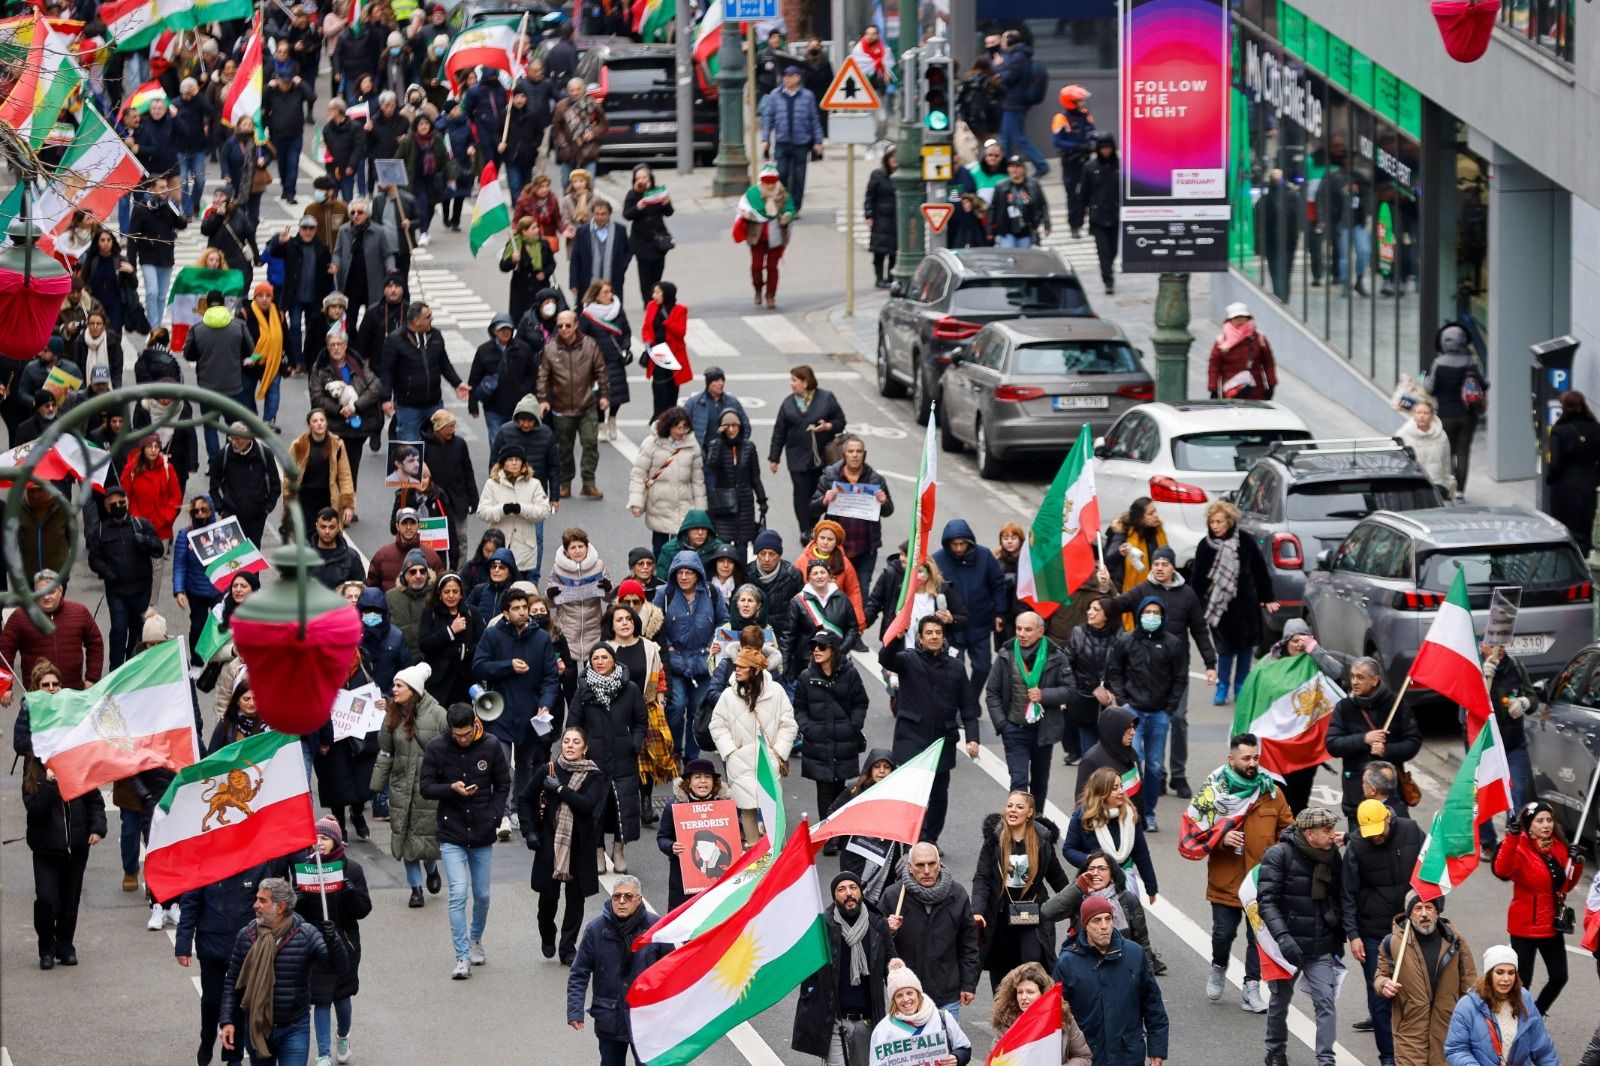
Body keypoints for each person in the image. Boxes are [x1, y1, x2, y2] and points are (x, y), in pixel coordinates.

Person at [1175, 733, 1292, 1012]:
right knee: (1223, 934)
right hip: (1225, 880)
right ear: (1231, 759)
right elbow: (1197, 830)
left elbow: (1288, 828)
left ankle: (1251, 986)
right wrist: (1221, 839)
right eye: (1246, 758)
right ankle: (1218, 966)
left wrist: (1278, 854)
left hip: (1261, 881)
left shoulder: (1271, 792)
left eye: (1256, 758)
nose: (1252, 763)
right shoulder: (1214, 793)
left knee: (1258, 936)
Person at [420, 702, 511, 979]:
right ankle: (461, 956)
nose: (463, 739)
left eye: (467, 734)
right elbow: (426, 787)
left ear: (475, 725)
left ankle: (475, 939)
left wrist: (495, 816)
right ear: (450, 729)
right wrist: (451, 788)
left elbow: (503, 784)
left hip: (482, 831)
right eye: (457, 735)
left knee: (482, 895)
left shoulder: (491, 745)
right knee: (458, 893)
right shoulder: (437, 747)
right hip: (452, 831)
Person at [218, 878, 348, 1065]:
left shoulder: (306, 934)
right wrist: (227, 1021)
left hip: (294, 1028)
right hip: (257, 1027)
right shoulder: (246, 936)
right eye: (257, 899)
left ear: (280, 907)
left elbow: (338, 968)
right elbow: (232, 982)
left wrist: (333, 940)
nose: (255, 905)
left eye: (262, 901)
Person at [877, 615, 979, 844]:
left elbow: (968, 706)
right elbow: (885, 658)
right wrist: (896, 638)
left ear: (944, 637)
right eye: (929, 633)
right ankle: (908, 837)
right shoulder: (908, 660)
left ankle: (929, 839)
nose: (934, 637)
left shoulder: (956, 667)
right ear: (920, 639)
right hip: (911, 739)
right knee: (910, 793)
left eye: (938, 633)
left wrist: (973, 738)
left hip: (943, 741)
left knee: (938, 796)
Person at [1257, 806, 1346, 1066]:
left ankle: (1326, 1059)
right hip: (1287, 947)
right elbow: (1266, 902)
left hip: (1320, 945)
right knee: (1280, 1000)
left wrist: (1337, 935)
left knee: (1325, 1001)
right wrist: (1284, 939)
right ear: (1309, 834)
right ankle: (1275, 1051)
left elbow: (1338, 896)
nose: (1333, 835)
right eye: (1327, 830)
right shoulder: (1279, 855)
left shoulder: (1332, 855)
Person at [471, 584, 561, 821]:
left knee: (525, 765)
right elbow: (479, 666)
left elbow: (550, 677)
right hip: (499, 711)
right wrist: (508, 666)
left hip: (530, 712)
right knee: (500, 764)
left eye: (524, 607)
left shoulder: (541, 638)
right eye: (516, 608)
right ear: (505, 613)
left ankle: (519, 809)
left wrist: (546, 703)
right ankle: (500, 812)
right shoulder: (493, 635)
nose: (522, 612)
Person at [517, 724, 605, 965]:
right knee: (548, 898)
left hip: (579, 846)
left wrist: (559, 789)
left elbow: (587, 805)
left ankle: (567, 948)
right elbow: (524, 800)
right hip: (549, 845)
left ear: (585, 748)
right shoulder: (549, 769)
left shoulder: (594, 775)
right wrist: (529, 832)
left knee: (575, 901)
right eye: (566, 741)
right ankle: (547, 933)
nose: (570, 746)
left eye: (576, 742)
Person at [176, 862, 278, 1066]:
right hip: (211, 946)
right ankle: (207, 1040)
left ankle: (233, 1056)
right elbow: (190, 904)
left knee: (239, 1003)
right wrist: (183, 944)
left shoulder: (256, 863)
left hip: (245, 948)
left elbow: (268, 903)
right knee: (212, 1001)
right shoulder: (204, 862)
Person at [287, 818, 371, 1066]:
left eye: (324, 838)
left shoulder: (352, 869)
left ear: (335, 841)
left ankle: (342, 1036)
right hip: (316, 944)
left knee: (342, 999)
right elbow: (294, 916)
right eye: (316, 838)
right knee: (321, 999)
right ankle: (323, 1053)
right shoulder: (305, 869)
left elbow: (363, 910)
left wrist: (351, 895)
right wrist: (297, 901)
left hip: (345, 943)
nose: (319, 842)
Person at [972, 790, 1071, 994]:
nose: (1013, 810)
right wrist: (978, 911)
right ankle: (1004, 1009)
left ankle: (1030, 1007)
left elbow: (1057, 878)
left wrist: (1076, 907)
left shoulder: (1042, 840)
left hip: (1031, 912)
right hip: (1000, 913)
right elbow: (982, 878)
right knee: (1001, 971)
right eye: (1010, 806)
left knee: (1031, 963)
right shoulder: (994, 839)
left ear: (1030, 812)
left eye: (1019, 807)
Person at [1052, 895, 1169, 1066]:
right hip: (1088, 1056)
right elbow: (1055, 1016)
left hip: (1128, 1056)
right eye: (1096, 921)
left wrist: (1157, 1049)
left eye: (1108, 919)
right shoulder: (1067, 963)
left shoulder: (1134, 954)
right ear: (1085, 925)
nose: (1104, 926)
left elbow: (1153, 1005)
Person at [791, 870, 892, 1066]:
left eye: (853, 887)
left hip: (867, 1021)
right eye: (841, 889)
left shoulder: (878, 925)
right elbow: (807, 970)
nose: (848, 893)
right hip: (835, 1022)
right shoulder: (824, 927)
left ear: (860, 892)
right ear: (834, 896)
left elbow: (891, 969)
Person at [1490, 801, 1582, 1014]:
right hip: (1524, 926)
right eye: (1540, 821)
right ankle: (1513, 1021)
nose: (1546, 825)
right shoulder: (1519, 846)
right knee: (1523, 983)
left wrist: (1576, 863)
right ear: (1529, 825)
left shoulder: (1557, 846)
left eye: (1549, 820)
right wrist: (1511, 839)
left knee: (1559, 977)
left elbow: (1565, 886)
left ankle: (1536, 1015)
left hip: (1551, 924)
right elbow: (1502, 870)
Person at [566, 873, 668, 1066]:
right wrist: (575, 1010)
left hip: (646, 1019)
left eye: (628, 896)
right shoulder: (596, 930)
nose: (621, 901)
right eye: (617, 896)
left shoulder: (656, 928)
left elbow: (672, 970)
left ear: (639, 899)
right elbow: (579, 973)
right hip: (610, 1019)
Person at [1103, 598, 1184, 832]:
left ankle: (1148, 812)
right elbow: (1115, 672)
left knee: (1155, 766)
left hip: (1159, 713)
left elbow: (1179, 678)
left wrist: (1169, 708)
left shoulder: (1173, 644)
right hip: (1133, 712)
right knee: (1134, 761)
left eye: (1156, 613)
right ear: (1139, 614)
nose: (1151, 616)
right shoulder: (1126, 641)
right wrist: (1124, 703)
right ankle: (1130, 810)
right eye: (1147, 612)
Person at [371, 663, 447, 908]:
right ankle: (415, 889)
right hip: (401, 786)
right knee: (404, 838)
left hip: (428, 788)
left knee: (425, 837)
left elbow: (450, 752)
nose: (394, 689)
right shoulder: (392, 714)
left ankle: (431, 869)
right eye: (394, 685)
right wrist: (376, 787)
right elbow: (385, 750)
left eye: (399, 685)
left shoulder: (438, 714)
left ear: (413, 690)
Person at [566, 643, 647, 874]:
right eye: (595, 658)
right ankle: (597, 851)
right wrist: (579, 750)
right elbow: (573, 724)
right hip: (593, 760)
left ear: (614, 660)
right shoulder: (583, 690)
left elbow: (641, 721)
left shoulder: (630, 688)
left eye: (604, 657)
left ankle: (619, 850)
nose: (600, 662)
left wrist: (634, 743)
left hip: (624, 757)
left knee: (624, 805)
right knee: (596, 807)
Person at [1373, 891, 1476, 1066]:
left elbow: (1470, 984)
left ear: (1437, 912)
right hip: (1409, 1031)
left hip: (1448, 1030)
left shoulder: (1456, 941)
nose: (1423, 914)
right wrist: (1384, 985)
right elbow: (1380, 976)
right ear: (1409, 913)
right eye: (1417, 908)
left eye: (1429, 907)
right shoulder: (1393, 943)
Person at [22, 755, 105, 970]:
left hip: (76, 849)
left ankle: (65, 945)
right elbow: (35, 809)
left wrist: (97, 828)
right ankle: (46, 948)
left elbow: (94, 800)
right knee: (47, 900)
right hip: (45, 850)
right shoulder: (34, 771)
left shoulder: (77, 762)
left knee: (70, 902)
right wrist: (50, 784)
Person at [1190, 501, 1276, 705]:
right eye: (1212, 522)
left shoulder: (1244, 540)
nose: (1215, 526)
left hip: (1246, 605)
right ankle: (1222, 687)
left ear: (1229, 521)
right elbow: (1198, 578)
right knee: (1225, 649)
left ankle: (1241, 687)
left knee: (1245, 649)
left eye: (1219, 522)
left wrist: (1267, 597)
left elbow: (1259, 570)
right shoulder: (1205, 545)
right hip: (1220, 607)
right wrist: (1194, 606)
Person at [708, 648, 797, 844]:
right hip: (740, 760)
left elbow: (788, 724)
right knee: (747, 809)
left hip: (768, 760)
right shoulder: (728, 695)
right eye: (736, 666)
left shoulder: (776, 692)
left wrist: (779, 752)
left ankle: (776, 854)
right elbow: (717, 725)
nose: (737, 669)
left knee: (773, 810)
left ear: (756, 670)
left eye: (742, 667)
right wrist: (730, 752)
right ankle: (754, 852)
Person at [882, 842, 982, 1017]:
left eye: (932, 864)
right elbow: (877, 947)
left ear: (939, 864)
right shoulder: (892, 897)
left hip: (947, 995)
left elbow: (969, 944)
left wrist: (968, 984)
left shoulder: (957, 894)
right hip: (907, 997)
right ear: (910, 867)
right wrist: (888, 930)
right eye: (920, 865)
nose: (927, 871)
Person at [986, 611, 1070, 809]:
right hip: (1014, 730)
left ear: (1040, 632)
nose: (1022, 634)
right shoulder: (1006, 654)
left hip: (1043, 731)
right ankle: (1018, 824)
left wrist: (1044, 695)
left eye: (1028, 630)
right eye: (1019, 629)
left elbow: (1070, 690)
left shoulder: (1056, 656)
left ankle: (1037, 821)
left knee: (1040, 782)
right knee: (1019, 782)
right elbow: (992, 692)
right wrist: (1003, 725)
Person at [1328, 657, 1423, 828]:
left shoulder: (1395, 705)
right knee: (1358, 841)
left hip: (1391, 796)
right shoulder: (1344, 708)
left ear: (1375, 680)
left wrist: (1387, 750)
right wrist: (1364, 739)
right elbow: (1333, 744)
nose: (1354, 682)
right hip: (1356, 796)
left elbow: (1413, 741)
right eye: (1352, 676)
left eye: (1360, 677)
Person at [792, 629, 868, 836]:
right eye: (813, 646)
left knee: (839, 787)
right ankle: (828, 834)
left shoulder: (850, 674)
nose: (816, 650)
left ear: (833, 650)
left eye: (822, 646)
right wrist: (809, 729)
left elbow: (860, 702)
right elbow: (799, 708)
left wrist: (853, 726)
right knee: (824, 787)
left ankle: (838, 832)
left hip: (843, 741)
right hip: (819, 743)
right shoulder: (806, 677)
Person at [85, 485, 164, 669]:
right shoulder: (100, 531)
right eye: (114, 504)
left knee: (138, 631)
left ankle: (133, 666)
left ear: (127, 502)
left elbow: (159, 549)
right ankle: (116, 669)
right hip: (117, 592)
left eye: (122, 502)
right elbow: (94, 560)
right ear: (107, 507)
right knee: (119, 631)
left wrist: (144, 540)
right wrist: (107, 572)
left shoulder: (141, 525)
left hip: (141, 590)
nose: (119, 506)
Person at [538, 309, 610, 500]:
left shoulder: (589, 345)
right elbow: (543, 376)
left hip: (587, 405)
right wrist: (543, 400)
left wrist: (604, 395)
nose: (563, 329)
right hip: (561, 407)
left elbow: (601, 371)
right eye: (560, 325)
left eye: (568, 325)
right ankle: (565, 483)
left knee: (590, 443)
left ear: (576, 325)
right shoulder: (550, 348)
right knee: (564, 449)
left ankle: (588, 483)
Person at [1446, 948, 1561, 1066]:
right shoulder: (1467, 1006)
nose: (1506, 979)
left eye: (1511, 973)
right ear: (1489, 974)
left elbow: (1543, 1050)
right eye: (1500, 972)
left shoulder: (1525, 999)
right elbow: (1456, 1049)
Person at [809, 435, 893, 592]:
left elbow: (888, 511)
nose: (855, 455)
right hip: (836, 549)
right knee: (835, 590)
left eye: (859, 451)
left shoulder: (875, 479)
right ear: (844, 454)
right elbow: (813, 508)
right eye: (851, 451)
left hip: (865, 549)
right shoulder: (830, 477)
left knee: (861, 591)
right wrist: (824, 501)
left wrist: (884, 501)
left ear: (864, 454)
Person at [378, 301, 469, 442]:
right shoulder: (395, 340)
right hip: (408, 407)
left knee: (439, 445)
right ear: (416, 321)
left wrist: (457, 383)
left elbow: (444, 364)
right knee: (411, 448)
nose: (432, 319)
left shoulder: (436, 335)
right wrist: (386, 399)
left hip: (435, 404)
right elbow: (387, 372)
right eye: (428, 317)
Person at [184, 292, 257, 460]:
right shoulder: (239, 326)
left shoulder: (197, 329)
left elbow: (189, 354)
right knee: (234, 426)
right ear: (224, 304)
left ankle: (214, 461)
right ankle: (231, 457)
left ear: (207, 305)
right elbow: (250, 351)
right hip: (234, 386)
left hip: (207, 388)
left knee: (210, 427)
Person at [869, 960, 975, 1065]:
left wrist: (957, 1058)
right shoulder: (883, 1029)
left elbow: (965, 1049)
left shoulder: (942, 1017)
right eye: (899, 995)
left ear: (918, 994)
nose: (906, 999)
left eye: (910, 993)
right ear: (894, 1001)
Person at [1425, 323, 1487, 498]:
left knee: (1449, 452)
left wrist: (1425, 379)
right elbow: (1484, 384)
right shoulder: (1470, 361)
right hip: (1468, 414)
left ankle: (1451, 486)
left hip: (1446, 414)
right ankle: (1460, 491)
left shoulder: (1438, 363)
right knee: (1463, 452)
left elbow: (1430, 389)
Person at [477, 444, 554, 582]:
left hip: (524, 547)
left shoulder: (534, 484)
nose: (514, 463)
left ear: (522, 463)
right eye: (510, 459)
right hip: (499, 545)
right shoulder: (492, 484)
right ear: (503, 463)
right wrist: (502, 510)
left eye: (517, 460)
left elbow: (544, 511)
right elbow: (482, 512)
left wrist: (521, 509)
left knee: (519, 588)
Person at [991, 963, 1093, 1062]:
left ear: (1043, 994)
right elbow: (995, 1061)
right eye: (1020, 992)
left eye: (1030, 992)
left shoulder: (1062, 1018)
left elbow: (1083, 1057)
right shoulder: (1006, 1022)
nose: (1023, 997)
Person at [760, 65, 824, 214]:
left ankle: (795, 208)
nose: (787, 79)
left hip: (801, 142)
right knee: (781, 173)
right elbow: (768, 118)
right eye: (785, 75)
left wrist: (818, 141)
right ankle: (783, 203)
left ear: (798, 78)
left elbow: (814, 119)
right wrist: (765, 139)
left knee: (799, 177)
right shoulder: (775, 95)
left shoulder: (807, 96)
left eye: (790, 76)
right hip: (782, 141)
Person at [705, 409, 767, 562]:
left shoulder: (749, 447)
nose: (731, 430)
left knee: (741, 548)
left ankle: (741, 576)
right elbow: (711, 464)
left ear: (740, 427)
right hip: (723, 504)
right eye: (727, 426)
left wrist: (762, 500)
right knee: (723, 548)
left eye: (734, 426)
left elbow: (755, 477)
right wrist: (719, 440)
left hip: (744, 505)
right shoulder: (716, 445)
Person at [209, 423, 283, 546]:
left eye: (237, 439)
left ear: (249, 438)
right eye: (231, 438)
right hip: (231, 516)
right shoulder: (224, 455)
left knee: (252, 552)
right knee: (233, 553)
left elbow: (274, 485)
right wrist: (221, 509)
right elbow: (214, 486)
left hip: (256, 517)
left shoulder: (264, 454)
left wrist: (267, 508)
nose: (233, 442)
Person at [735, 163, 796, 309]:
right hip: (757, 237)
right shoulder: (752, 194)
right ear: (761, 182)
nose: (770, 185)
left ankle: (770, 295)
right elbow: (743, 209)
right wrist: (748, 215)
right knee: (756, 267)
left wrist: (787, 216)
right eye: (767, 182)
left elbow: (790, 209)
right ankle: (758, 288)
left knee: (772, 267)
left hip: (776, 238)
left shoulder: (783, 194)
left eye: (772, 181)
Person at [1545, 391, 1600, 551]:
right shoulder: (1596, 428)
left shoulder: (1559, 431)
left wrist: (1551, 479)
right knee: (1587, 528)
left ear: (1564, 408)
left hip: (1564, 488)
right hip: (1590, 486)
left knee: (1565, 531)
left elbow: (1555, 464)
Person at [578, 280, 632, 440]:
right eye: (605, 292)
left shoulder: (618, 310)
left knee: (617, 392)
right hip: (596, 361)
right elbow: (581, 337)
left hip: (615, 358)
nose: (609, 295)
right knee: (599, 393)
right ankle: (600, 424)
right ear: (596, 296)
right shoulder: (587, 315)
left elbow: (626, 332)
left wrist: (626, 347)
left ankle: (612, 419)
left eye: (610, 291)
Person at [995, 30, 1048, 175]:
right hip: (1010, 102)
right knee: (1005, 139)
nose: (1001, 42)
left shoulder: (1019, 57)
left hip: (1015, 103)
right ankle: (1005, 167)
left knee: (1018, 138)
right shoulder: (1013, 56)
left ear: (1012, 41)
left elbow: (1009, 78)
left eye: (1004, 39)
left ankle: (1041, 165)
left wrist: (998, 67)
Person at [623, 165, 674, 306]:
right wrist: (637, 207)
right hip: (640, 240)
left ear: (650, 178)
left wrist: (666, 204)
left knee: (657, 272)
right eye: (638, 178)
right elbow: (626, 215)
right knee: (644, 275)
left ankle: (657, 298)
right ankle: (648, 302)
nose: (642, 180)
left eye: (644, 177)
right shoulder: (632, 194)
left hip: (658, 240)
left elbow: (669, 212)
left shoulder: (658, 192)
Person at [640, 281, 692, 417]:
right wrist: (648, 342)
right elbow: (646, 328)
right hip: (658, 351)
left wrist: (668, 320)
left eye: (657, 293)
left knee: (672, 388)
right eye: (654, 292)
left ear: (666, 294)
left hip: (673, 353)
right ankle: (658, 416)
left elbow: (681, 332)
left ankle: (670, 416)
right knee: (659, 388)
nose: (654, 296)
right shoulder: (651, 306)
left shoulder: (680, 310)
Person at [567, 198, 631, 308]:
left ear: (609, 214)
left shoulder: (620, 230)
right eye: (597, 214)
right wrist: (573, 281)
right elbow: (575, 258)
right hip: (587, 280)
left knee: (613, 309)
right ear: (592, 214)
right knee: (587, 309)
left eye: (603, 214)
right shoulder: (583, 231)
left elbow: (628, 251)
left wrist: (621, 268)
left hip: (613, 279)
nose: (600, 217)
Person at [1207, 302, 1278, 400]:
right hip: (1231, 394)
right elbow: (1214, 367)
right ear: (1230, 320)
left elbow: (1269, 363)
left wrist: (1271, 384)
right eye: (1236, 318)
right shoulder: (1222, 341)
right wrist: (1213, 390)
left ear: (1248, 318)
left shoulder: (1259, 338)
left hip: (1256, 393)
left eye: (1242, 317)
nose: (1239, 320)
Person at [500, 214, 557, 326]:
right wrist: (512, 260)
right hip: (521, 292)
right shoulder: (514, 245)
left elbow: (552, 263)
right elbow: (503, 266)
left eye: (537, 227)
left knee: (541, 321)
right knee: (521, 323)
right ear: (524, 231)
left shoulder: (543, 244)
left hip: (539, 289)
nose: (537, 230)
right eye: (533, 228)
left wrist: (544, 273)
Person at [1395, 398, 1456, 499]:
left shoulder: (1441, 436)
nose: (1422, 416)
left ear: (1432, 415)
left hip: (1435, 484)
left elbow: (1446, 463)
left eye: (1426, 413)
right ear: (1414, 414)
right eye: (1418, 412)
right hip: (1411, 484)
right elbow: (1394, 460)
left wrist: (1447, 484)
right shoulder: (1402, 434)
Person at [551, 77, 607, 187]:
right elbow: (556, 128)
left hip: (588, 150)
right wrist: (562, 143)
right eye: (572, 90)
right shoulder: (561, 106)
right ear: (568, 92)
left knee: (588, 185)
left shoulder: (592, 104)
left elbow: (604, 124)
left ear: (583, 89)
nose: (575, 93)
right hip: (568, 151)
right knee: (566, 183)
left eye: (578, 89)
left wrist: (593, 133)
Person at [990, 155, 1051, 248]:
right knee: (1008, 253)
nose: (1014, 169)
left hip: (1027, 229)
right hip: (1007, 230)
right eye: (1011, 166)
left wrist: (1047, 225)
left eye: (1017, 166)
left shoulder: (1033, 184)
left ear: (1023, 169)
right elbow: (993, 208)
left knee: (1024, 255)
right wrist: (990, 230)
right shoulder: (1001, 186)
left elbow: (1042, 205)